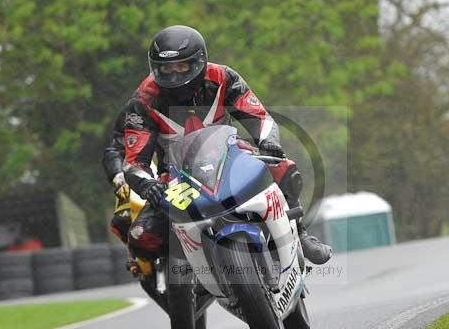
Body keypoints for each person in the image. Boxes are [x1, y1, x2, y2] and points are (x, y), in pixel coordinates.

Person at [102, 25, 332, 266]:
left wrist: (268, 142)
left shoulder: (223, 77)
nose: (174, 75)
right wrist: (146, 183)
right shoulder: (143, 100)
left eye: (181, 67)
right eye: (166, 69)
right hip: (176, 177)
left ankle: (301, 233)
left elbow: (259, 117)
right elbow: (135, 160)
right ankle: (183, 272)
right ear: (155, 68)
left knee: (283, 167)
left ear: (199, 62)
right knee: (142, 238)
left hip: (231, 156)